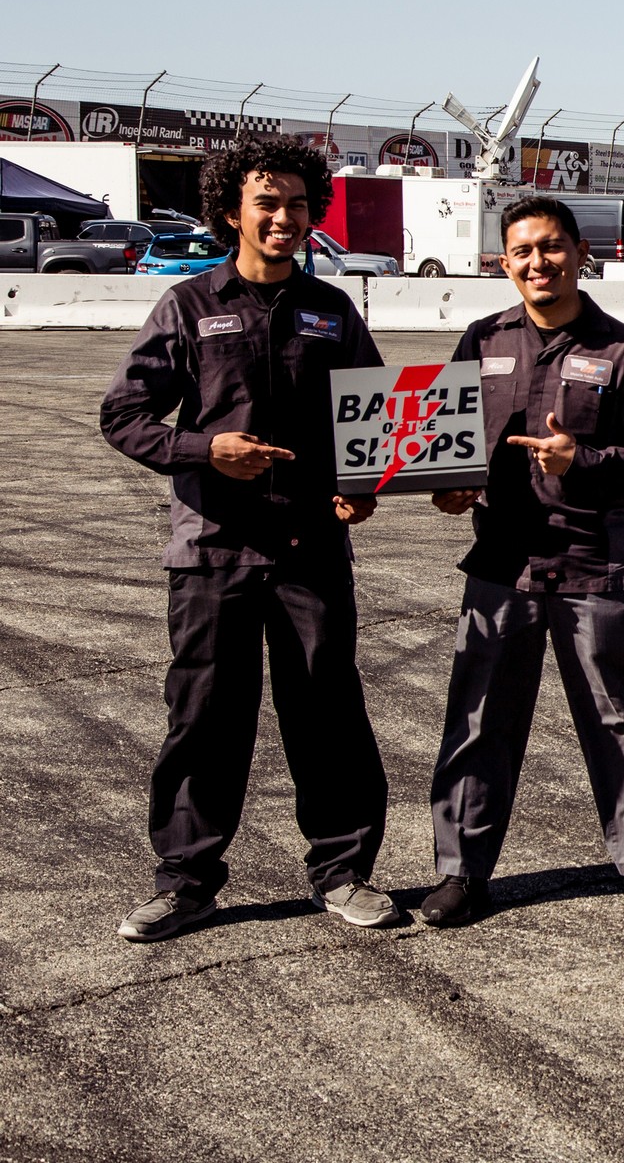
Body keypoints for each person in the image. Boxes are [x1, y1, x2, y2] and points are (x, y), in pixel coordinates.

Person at [100, 135, 398, 942]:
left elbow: (367, 424)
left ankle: (342, 871)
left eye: (298, 204)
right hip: (212, 552)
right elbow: (122, 417)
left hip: (310, 553)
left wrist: (360, 489)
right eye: (267, 202)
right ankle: (185, 882)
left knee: (328, 709)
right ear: (231, 210)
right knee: (204, 716)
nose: (283, 217)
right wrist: (205, 451)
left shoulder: (332, 311)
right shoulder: (189, 306)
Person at [423, 195, 624, 927]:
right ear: (505, 263)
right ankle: (460, 871)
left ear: (578, 251)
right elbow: (444, 446)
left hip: (591, 563)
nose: (538, 262)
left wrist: (586, 460)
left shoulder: (623, 349)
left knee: (617, 719)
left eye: (551, 247)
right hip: (500, 564)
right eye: (522, 252)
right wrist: (446, 491)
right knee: (478, 722)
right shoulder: (481, 340)